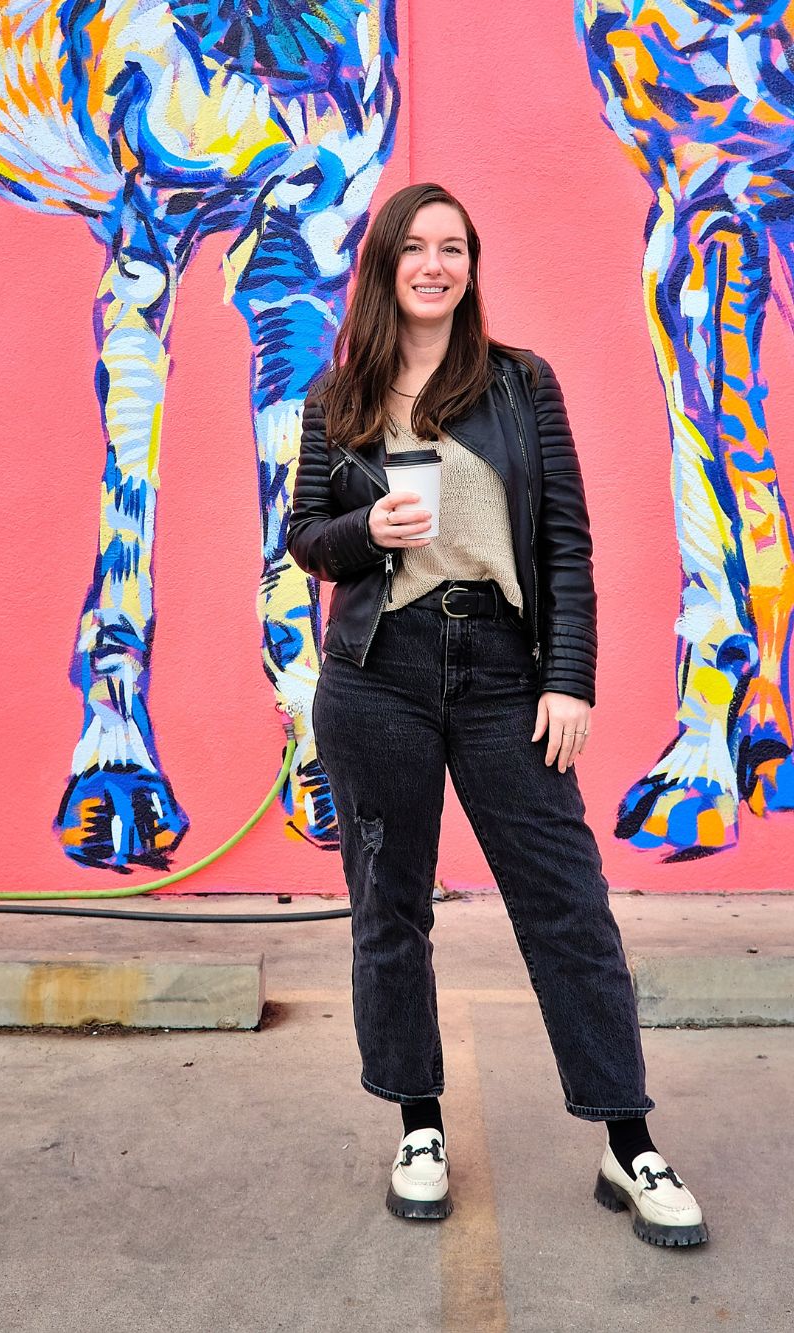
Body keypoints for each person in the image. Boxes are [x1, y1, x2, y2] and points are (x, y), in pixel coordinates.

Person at [286, 182, 706, 1248]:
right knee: (390, 909)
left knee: (566, 904)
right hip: (377, 672)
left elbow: (565, 540)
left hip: (504, 674)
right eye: (414, 247)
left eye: (453, 248)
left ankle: (626, 1137)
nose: (434, 264)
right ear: (382, 262)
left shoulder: (519, 385)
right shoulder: (335, 396)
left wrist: (570, 679)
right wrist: (366, 528)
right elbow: (304, 540)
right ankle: (417, 1123)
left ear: (469, 266)